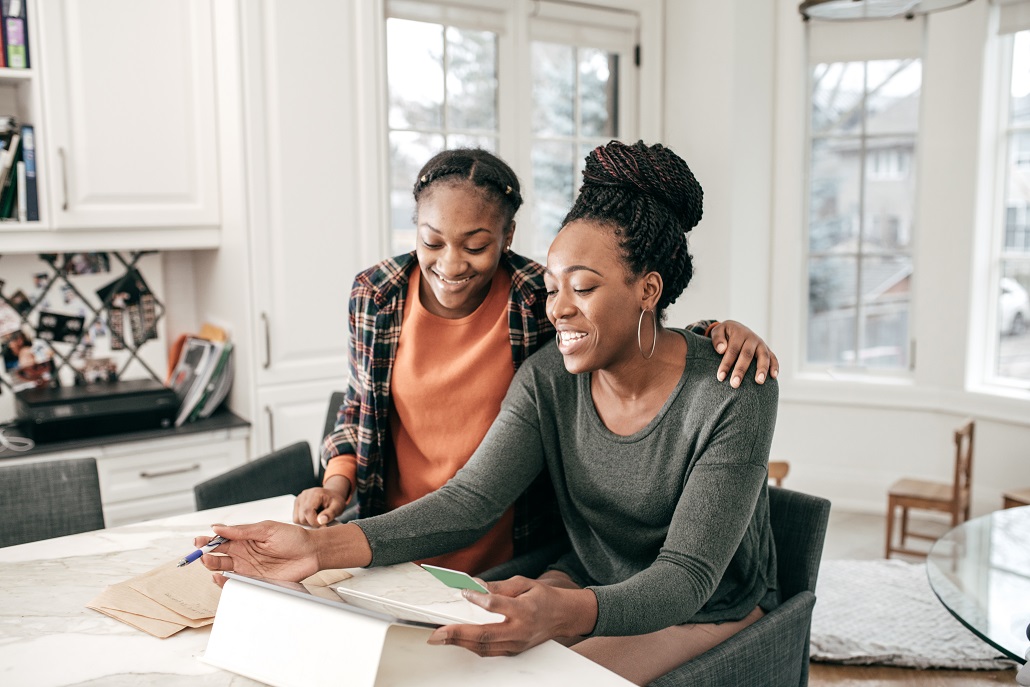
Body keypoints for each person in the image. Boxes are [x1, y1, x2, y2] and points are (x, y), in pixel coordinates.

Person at [201, 140, 779, 685]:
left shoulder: (734, 388)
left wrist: (566, 613)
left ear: (647, 290)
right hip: (588, 575)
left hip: (704, 604)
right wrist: (316, 549)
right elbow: (470, 499)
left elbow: (687, 576)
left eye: (583, 288)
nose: (558, 310)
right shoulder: (550, 376)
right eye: (552, 289)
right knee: (447, 670)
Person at [292, 147, 778, 578]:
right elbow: (360, 404)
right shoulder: (377, 295)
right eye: (432, 242)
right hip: (399, 523)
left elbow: (625, 329)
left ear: (507, 238)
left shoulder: (529, 298)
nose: (451, 264)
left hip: (512, 529)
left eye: (476, 245)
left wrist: (713, 333)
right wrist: (337, 485)